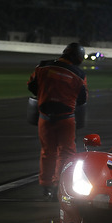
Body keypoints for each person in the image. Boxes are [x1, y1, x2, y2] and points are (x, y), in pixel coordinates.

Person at [27, 42, 88, 200]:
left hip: (44, 117)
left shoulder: (42, 67)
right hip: (66, 118)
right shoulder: (79, 74)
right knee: (67, 153)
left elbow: (32, 86)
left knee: (47, 152)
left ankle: (46, 186)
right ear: (77, 58)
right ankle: (59, 185)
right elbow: (83, 99)